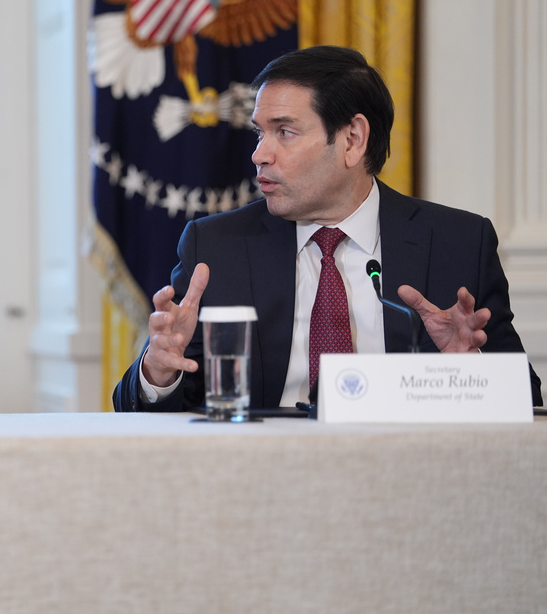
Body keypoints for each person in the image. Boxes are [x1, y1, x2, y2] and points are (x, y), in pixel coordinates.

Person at [114, 45, 542, 411]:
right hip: (262, 477)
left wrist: (471, 370)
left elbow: (528, 399)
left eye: (284, 132)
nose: (259, 155)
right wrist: (157, 369)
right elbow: (153, 408)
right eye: (259, 134)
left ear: (353, 139)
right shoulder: (217, 247)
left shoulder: (457, 243)